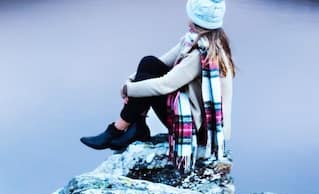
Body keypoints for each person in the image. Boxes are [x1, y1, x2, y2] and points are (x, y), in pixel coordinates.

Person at [81, 0, 235, 172]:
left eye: (193, 20)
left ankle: (118, 129)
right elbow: (161, 63)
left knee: (152, 82)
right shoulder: (195, 41)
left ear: (200, 24)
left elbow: (164, 85)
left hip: (198, 130)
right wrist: (131, 82)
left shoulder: (200, 55)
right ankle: (134, 126)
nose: (188, 23)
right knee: (148, 62)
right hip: (193, 111)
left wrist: (128, 90)